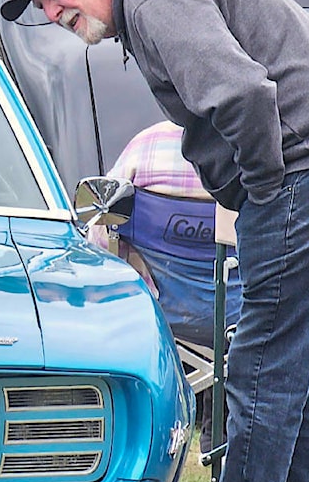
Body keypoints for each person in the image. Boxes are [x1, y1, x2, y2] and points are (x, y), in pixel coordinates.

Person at [0, 0, 309, 482]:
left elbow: (242, 93)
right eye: (41, 5)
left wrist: (262, 192)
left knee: (262, 379)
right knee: (298, 379)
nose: (51, 12)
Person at [88, 119, 242, 454]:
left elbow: (101, 237)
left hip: (161, 315)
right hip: (241, 317)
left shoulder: (146, 145)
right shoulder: (255, 149)